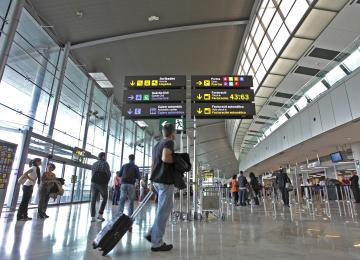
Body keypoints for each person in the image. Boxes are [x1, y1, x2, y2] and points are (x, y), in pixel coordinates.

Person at [145, 123, 176, 252]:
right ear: (172, 133)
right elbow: (165, 158)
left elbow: (153, 164)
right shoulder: (169, 143)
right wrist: (177, 161)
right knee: (163, 211)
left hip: (157, 180)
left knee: (161, 209)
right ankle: (157, 243)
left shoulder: (156, 145)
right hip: (165, 181)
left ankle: (152, 234)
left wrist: (151, 181)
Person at [91, 152, 111, 222]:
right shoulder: (105, 163)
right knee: (105, 198)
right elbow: (108, 174)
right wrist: (106, 182)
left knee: (93, 200)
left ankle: (93, 217)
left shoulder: (94, 164)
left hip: (93, 183)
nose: (106, 158)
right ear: (103, 157)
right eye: (105, 156)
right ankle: (100, 215)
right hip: (102, 184)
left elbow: (92, 173)